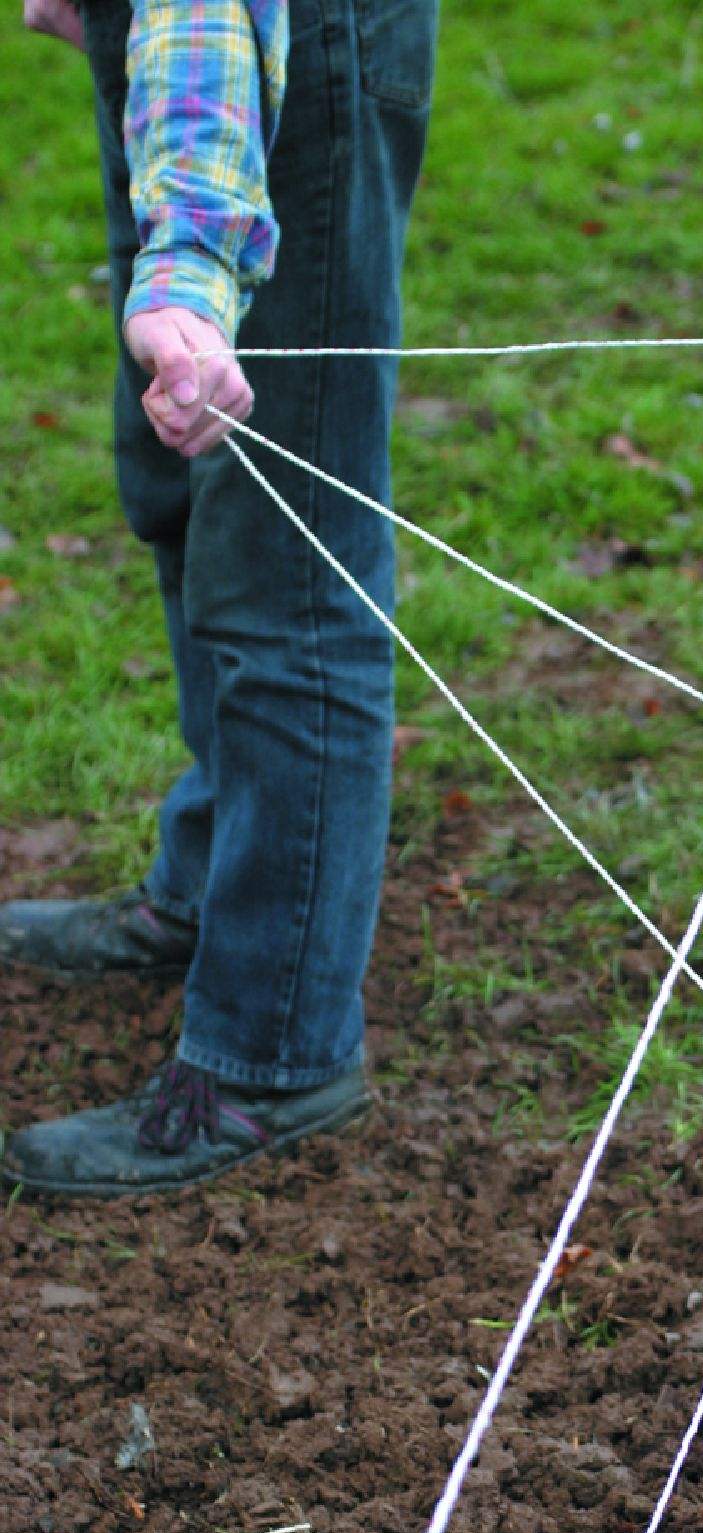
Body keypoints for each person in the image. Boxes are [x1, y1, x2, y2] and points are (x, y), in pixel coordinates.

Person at [2, 0, 438, 1197]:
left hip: (285, 50)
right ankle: (212, 885)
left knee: (285, 559)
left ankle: (274, 1042)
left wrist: (191, 260)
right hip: (172, 40)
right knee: (180, 479)